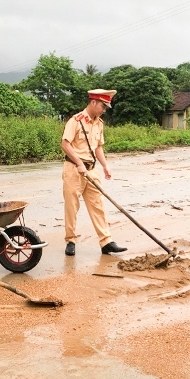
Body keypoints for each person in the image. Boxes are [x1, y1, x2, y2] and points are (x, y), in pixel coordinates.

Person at [60, 89, 127, 257]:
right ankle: (71, 241)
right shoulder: (75, 121)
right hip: (74, 170)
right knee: (72, 207)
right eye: (103, 106)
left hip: (91, 170)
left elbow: (98, 147)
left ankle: (106, 242)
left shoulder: (99, 123)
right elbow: (65, 144)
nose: (104, 110)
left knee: (97, 206)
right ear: (93, 102)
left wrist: (105, 166)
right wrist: (79, 162)